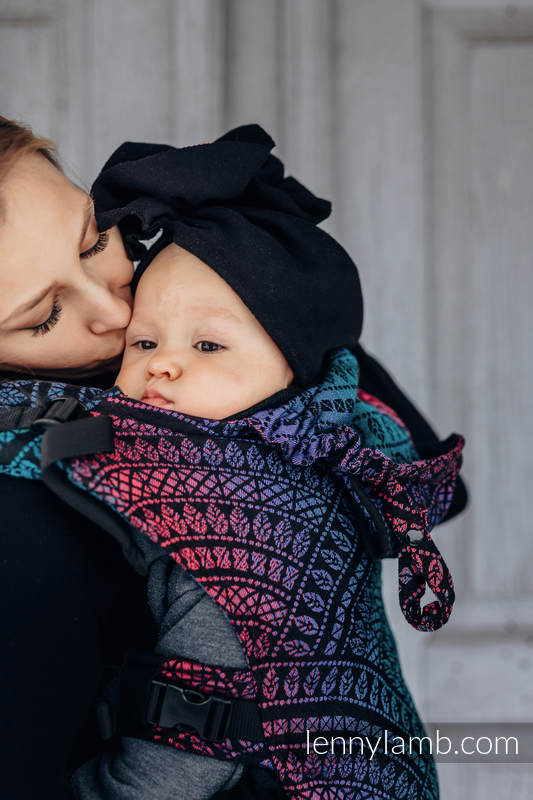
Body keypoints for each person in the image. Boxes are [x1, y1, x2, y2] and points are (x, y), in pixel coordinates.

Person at [0, 124, 467, 799]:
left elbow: (424, 472)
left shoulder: (206, 318)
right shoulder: (26, 503)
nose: (114, 306)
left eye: (92, 239)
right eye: (43, 316)